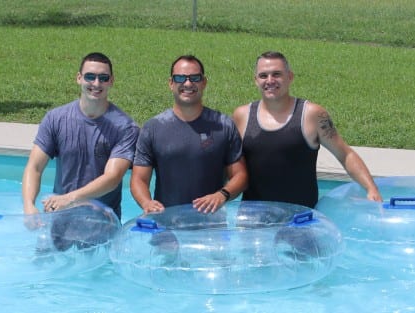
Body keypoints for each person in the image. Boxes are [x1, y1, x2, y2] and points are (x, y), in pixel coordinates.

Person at [233, 51, 382, 208]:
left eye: (276, 74)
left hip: (300, 220)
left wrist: (371, 188)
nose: (270, 80)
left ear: (290, 77)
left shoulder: (312, 115)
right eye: (263, 75)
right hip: (254, 220)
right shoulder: (242, 115)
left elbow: (345, 154)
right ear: (256, 80)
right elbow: (228, 164)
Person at [22, 52, 140, 221]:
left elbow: (112, 178)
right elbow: (34, 167)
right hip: (60, 220)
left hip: (102, 224)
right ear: (79, 78)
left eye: (103, 78)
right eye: (90, 77)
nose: (96, 83)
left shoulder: (125, 127)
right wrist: (29, 206)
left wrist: (68, 199)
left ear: (111, 81)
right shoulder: (55, 119)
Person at [131, 55, 248, 214]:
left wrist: (222, 195)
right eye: (180, 78)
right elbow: (139, 179)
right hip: (167, 226)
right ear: (171, 83)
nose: (187, 83)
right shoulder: (153, 128)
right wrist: (147, 203)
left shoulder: (223, 125)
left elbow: (240, 175)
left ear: (204, 82)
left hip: (211, 227)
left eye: (195, 78)